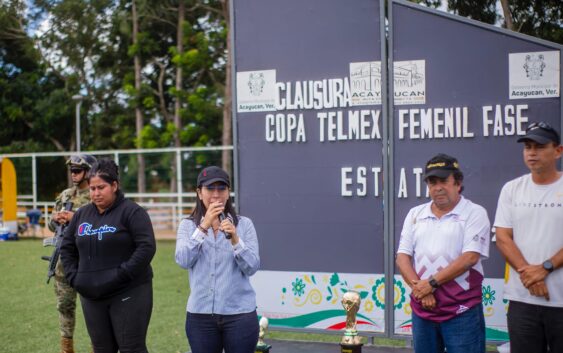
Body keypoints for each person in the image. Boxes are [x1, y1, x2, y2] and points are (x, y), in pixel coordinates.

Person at [396, 153, 490, 353]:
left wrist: (430, 284)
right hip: (423, 310)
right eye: (432, 182)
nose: (437, 187)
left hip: (461, 311)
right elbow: (402, 257)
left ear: (458, 183)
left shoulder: (474, 212)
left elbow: (469, 258)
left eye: (443, 181)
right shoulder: (415, 214)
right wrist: (421, 291)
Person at [60, 159, 156, 353]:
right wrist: (74, 277)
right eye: (93, 188)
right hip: (91, 296)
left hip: (128, 292)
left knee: (131, 348)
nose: (95, 193)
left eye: (101, 188)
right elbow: (67, 247)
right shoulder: (81, 215)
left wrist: (121, 274)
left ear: (114, 185)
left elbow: (146, 247)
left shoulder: (132, 212)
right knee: (101, 349)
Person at [494, 121, 563, 353]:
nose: (532, 152)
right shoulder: (511, 189)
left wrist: (545, 268)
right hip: (522, 300)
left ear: (558, 151)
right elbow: (503, 236)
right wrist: (531, 275)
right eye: (528, 147)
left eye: (540, 146)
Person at [175, 166, 260, 353]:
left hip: (239, 315)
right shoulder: (187, 226)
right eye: (209, 189)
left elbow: (252, 267)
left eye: (221, 189)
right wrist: (204, 226)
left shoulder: (244, 225)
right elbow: (183, 260)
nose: (216, 195)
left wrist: (236, 239)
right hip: (200, 316)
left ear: (228, 193)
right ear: (199, 193)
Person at [47, 154, 96, 353]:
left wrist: (74, 218)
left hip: (90, 262)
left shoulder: (97, 193)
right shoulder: (65, 195)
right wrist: (56, 219)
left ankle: (99, 347)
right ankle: (67, 349)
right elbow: (51, 225)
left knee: (94, 309)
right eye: (72, 171)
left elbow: (103, 224)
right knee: (64, 306)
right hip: (64, 263)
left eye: (77, 170)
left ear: (88, 171)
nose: (73, 174)